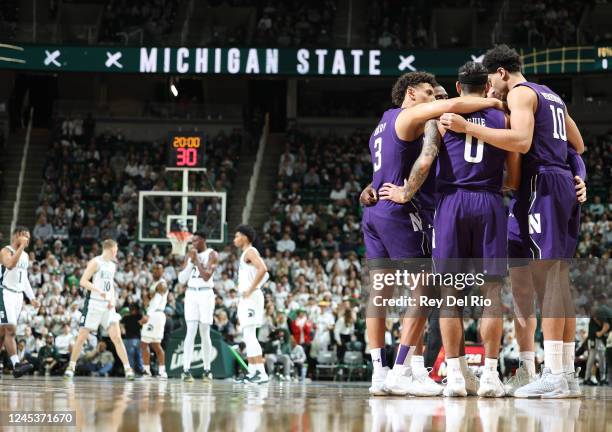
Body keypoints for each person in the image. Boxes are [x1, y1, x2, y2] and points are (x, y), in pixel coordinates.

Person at [440, 44, 585, 398]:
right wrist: (579, 175)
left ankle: (555, 372)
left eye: (491, 81)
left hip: (542, 186)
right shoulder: (551, 96)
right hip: (546, 188)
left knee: (550, 276)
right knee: (526, 281)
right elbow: (577, 145)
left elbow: (520, 142)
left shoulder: (520, 93)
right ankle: (536, 369)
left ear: (501, 73)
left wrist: (466, 128)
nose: (490, 89)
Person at [359, 71, 504, 396]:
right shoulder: (412, 114)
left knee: (380, 292)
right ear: (411, 93)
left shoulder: (382, 123)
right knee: (425, 289)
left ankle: (384, 373)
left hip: (374, 212)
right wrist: (493, 100)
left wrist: (368, 191)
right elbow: (452, 105)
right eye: (428, 92)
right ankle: (400, 371)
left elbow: (382, 172)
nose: (433, 100)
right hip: (401, 212)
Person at [64, 239, 135, 380]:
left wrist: (113, 300)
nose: (116, 253)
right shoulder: (96, 262)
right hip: (94, 304)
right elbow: (83, 281)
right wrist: (97, 290)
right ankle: (71, 366)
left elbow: (111, 286)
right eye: (115, 250)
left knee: (117, 337)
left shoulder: (112, 266)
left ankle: (128, 369)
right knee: (81, 337)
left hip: (107, 306)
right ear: (109, 249)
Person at [177, 231, 217, 382]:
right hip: (191, 294)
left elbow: (206, 277)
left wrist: (197, 262)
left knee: (204, 331)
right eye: (192, 241)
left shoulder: (212, 254)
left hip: (206, 294)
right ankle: (186, 370)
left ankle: (207, 370)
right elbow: (181, 279)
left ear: (203, 240)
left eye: (196, 241)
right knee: (191, 330)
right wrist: (190, 264)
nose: (193, 243)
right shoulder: (190, 255)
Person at [0, 226, 39, 377]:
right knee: (11, 330)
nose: (27, 240)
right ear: (16, 235)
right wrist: (21, 246)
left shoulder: (25, 256)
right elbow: (10, 265)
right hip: (4, 292)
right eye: (24, 236)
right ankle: (16, 364)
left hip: (18, 296)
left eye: (28, 238)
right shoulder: (6, 251)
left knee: (2, 334)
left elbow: (25, 279)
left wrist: (32, 297)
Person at [233, 225, 270, 384]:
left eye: (237, 236)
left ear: (245, 237)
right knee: (248, 336)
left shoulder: (250, 251)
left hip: (252, 297)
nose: (234, 239)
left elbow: (263, 269)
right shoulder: (245, 254)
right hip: (247, 298)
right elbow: (266, 275)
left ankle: (261, 373)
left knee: (250, 336)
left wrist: (251, 289)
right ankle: (253, 371)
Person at [140, 263, 169, 378]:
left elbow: (156, 300)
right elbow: (147, 300)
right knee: (156, 345)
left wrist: (147, 315)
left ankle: (147, 371)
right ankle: (162, 372)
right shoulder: (153, 284)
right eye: (155, 269)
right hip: (156, 314)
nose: (156, 271)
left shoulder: (162, 284)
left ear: (163, 272)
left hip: (155, 314)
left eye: (159, 269)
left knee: (143, 344)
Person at [121, 303, 143, 374]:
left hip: (130, 339)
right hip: (136, 339)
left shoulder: (126, 317)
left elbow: (121, 325)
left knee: (131, 356)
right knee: (138, 356)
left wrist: (123, 330)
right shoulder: (140, 317)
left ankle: (132, 371)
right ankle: (139, 370)